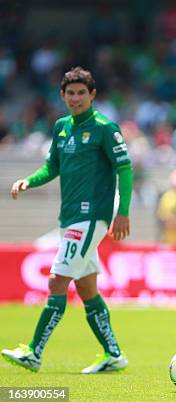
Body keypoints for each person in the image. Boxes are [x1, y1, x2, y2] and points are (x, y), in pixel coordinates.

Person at [2, 67, 132, 374]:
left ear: (92, 95)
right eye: (70, 93)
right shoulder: (61, 127)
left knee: (56, 280)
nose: (76, 99)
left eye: (81, 93)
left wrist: (123, 211)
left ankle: (34, 352)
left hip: (91, 217)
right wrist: (28, 181)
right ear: (62, 96)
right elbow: (51, 167)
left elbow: (124, 170)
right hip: (70, 217)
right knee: (87, 288)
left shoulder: (105, 127)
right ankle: (113, 354)